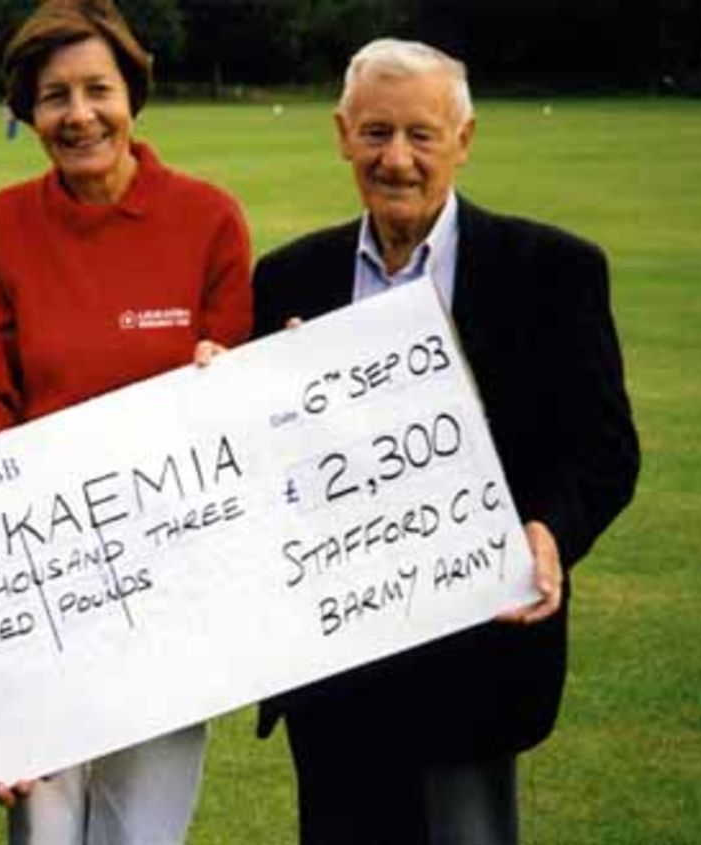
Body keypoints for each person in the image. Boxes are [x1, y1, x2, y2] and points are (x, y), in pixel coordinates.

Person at [252, 38, 640, 845]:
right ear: (342, 132)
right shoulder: (288, 278)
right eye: (376, 132)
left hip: (479, 654)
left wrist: (549, 533)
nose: (397, 159)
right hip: (335, 668)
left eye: (421, 135)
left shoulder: (552, 270)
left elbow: (605, 448)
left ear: (462, 140)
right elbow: (260, 468)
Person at [0, 1, 252, 842]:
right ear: (27, 111)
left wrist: (230, 382)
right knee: (44, 828)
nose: (78, 115)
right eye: (54, 96)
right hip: (42, 576)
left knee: (140, 829)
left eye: (97, 90)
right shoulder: (1, 225)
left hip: (174, 586)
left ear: (132, 94)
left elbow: (239, 401)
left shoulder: (210, 218)